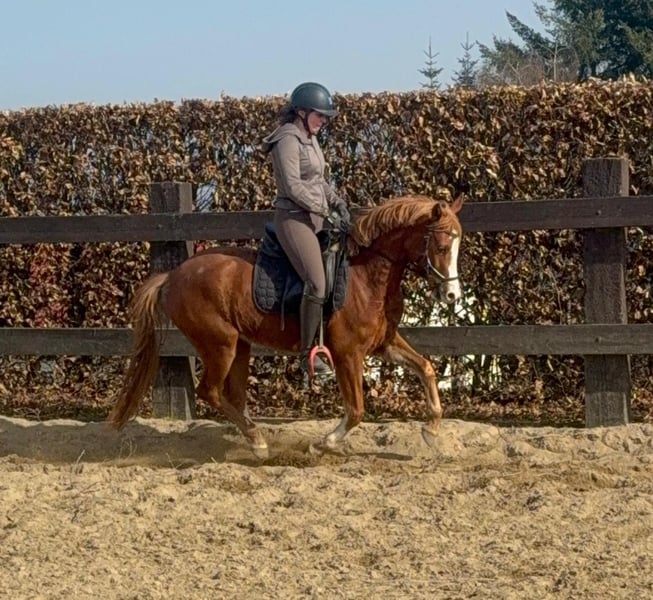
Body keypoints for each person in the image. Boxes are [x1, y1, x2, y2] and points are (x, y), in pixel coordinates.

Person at [262, 81, 351, 376]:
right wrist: (325, 210)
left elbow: (318, 180)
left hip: (315, 217)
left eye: (325, 117)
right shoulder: (287, 139)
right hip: (294, 219)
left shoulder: (310, 138)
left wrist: (338, 203)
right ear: (302, 112)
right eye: (319, 115)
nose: (323, 121)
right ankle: (306, 355)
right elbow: (293, 186)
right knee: (317, 282)